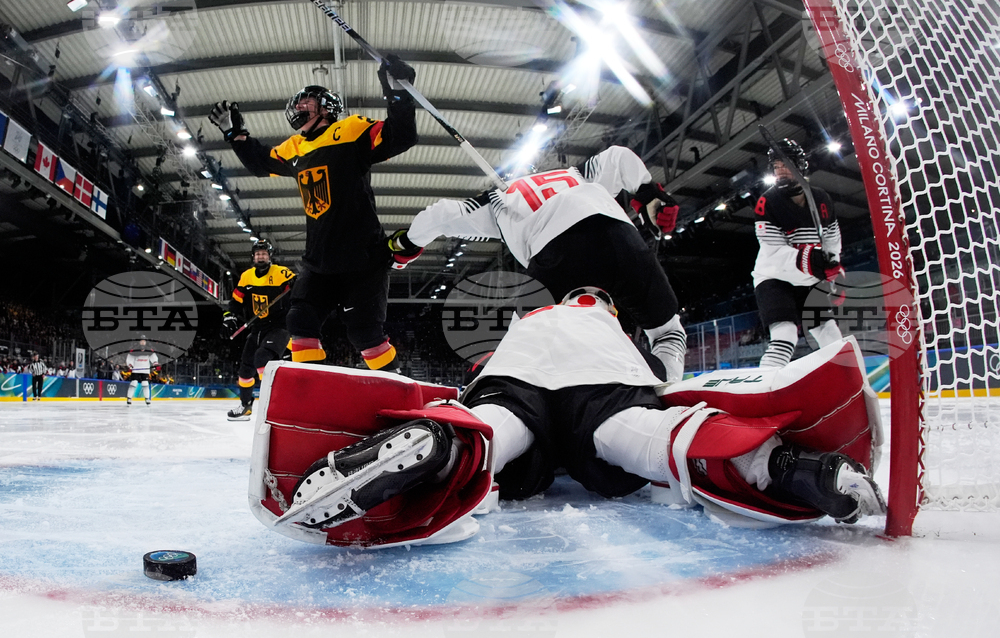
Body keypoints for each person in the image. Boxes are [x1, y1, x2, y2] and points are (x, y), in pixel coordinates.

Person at [249, 287, 885, 548]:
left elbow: (489, 372)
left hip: (516, 373)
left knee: (500, 426)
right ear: (605, 304)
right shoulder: (606, 323)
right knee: (637, 436)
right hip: (603, 380)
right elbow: (667, 384)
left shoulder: (531, 320)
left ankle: (440, 443)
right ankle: (785, 466)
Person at [391, 145, 689, 382]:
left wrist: (407, 245)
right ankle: (671, 388)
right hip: (621, 238)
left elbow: (440, 215)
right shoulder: (577, 174)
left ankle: (496, 401)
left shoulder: (497, 201)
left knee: (521, 350)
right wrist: (650, 193)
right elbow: (619, 157)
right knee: (667, 331)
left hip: (556, 257)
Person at [209, 54, 419, 373]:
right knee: (300, 322)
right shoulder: (295, 148)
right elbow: (260, 162)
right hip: (318, 261)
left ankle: (397, 385)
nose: (299, 107)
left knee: (365, 334)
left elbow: (401, 136)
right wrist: (236, 137)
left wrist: (398, 90)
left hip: (363, 259)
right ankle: (311, 390)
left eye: (307, 101)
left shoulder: (351, 129)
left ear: (326, 107)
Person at [753, 138, 845, 369]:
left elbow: (832, 241)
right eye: (776, 166)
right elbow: (774, 253)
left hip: (809, 281)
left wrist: (833, 271)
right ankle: (764, 391)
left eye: (786, 164)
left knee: (832, 337)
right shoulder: (767, 202)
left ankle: (849, 387)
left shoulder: (822, 199)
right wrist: (814, 260)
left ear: (800, 165)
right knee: (785, 336)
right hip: (775, 279)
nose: (781, 171)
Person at [222, 239, 295, 421]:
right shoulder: (247, 276)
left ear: (269, 256)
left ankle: (276, 404)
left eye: (264, 253)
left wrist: (296, 285)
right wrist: (229, 316)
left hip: (279, 327)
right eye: (258, 254)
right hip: (258, 328)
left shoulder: (281, 273)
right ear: (253, 257)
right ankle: (245, 406)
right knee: (245, 370)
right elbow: (236, 301)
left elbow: (298, 285)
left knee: (262, 358)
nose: (260, 256)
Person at [125, 336, 158, 406]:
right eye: (141, 341)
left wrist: (155, 363)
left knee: (145, 384)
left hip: (145, 370)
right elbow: (130, 358)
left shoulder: (149, 350)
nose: (143, 342)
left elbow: (153, 357)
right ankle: (129, 398)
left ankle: (147, 398)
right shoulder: (134, 349)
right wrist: (130, 365)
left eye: (144, 341)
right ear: (139, 342)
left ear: (146, 342)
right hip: (136, 370)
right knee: (133, 383)